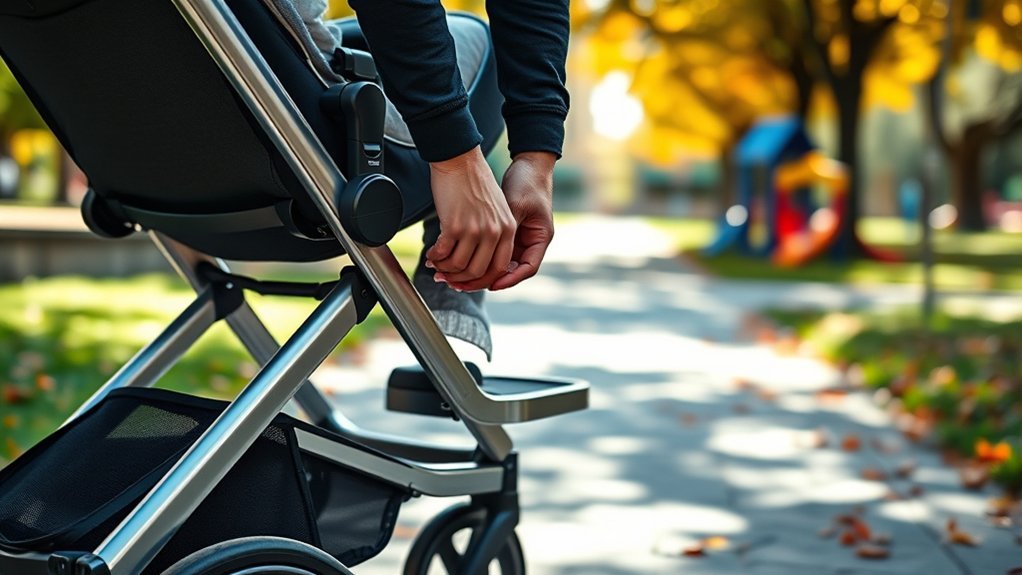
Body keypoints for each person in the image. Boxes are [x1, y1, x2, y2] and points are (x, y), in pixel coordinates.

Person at [298, 0, 569, 360]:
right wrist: (457, 159)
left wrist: (537, 162)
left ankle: (451, 292)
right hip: (314, 147)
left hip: (206, 194)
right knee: (478, 43)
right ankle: (451, 293)